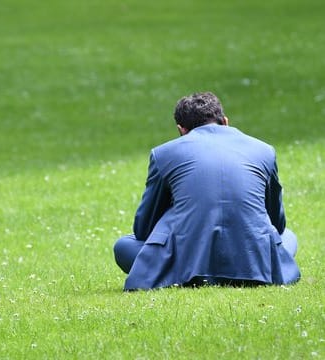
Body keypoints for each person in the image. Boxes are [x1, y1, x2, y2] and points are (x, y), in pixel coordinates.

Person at [114, 92, 300, 290]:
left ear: (181, 130)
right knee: (289, 236)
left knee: (123, 246)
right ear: (225, 121)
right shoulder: (264, 151)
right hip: (254, 264)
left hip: (187, 267)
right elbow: (276, 224)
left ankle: (185, 273)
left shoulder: (164, 154)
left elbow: (144, 228)